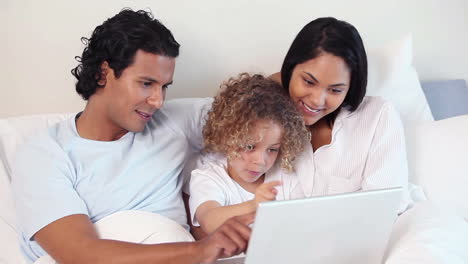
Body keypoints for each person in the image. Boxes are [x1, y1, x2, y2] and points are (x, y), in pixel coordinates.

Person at [11, 9, 253, 264]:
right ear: (102, 74)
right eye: (146, 83)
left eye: (164, 87)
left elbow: (262, 103)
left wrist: (297, 72)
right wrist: (202, 250)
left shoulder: (174, 122)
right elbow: (79, 254)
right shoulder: (44, 154)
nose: (158, 101)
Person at [269, 17, 412, 212]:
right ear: (290, 69)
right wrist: (269, 88)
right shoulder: (266, 117)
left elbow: (387, 205)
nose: (317, 100)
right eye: (309, 82)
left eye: (335, 90)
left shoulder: (378, 116)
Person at [188, 73, 309, 234]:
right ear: (227, 136)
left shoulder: (284, 176)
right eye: (250, 147)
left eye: (272, 149)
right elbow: (209, 220)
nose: (260, 161)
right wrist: (254, 205)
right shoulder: (209, 178)